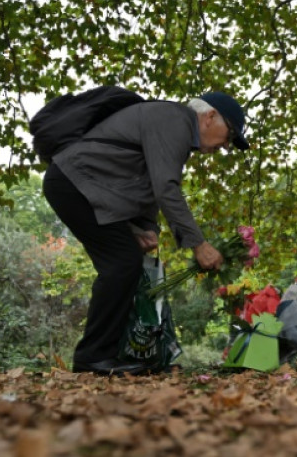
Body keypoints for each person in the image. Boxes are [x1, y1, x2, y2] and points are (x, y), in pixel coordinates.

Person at [42, 91, 250, 375]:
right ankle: (93, 358)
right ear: (210, 116)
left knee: (123, 263)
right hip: (73, 183)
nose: (226, 146)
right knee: (121, 263)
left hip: (84, 189)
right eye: (230, 135)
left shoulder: (175, 128)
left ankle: (100, 356)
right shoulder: (174, 121)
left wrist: (145, 229)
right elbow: (166, 188)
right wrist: (198, 244)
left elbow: (148, 186)